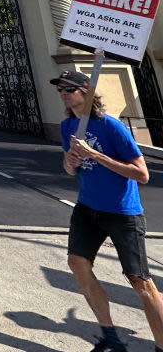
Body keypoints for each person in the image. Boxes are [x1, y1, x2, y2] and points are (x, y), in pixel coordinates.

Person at [52, 69, 163, 352]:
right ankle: (110, 335)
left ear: (85, 92)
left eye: (69, 89)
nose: (64, 93)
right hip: (87, 208)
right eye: (60, 89)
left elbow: (142, 174)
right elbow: (67, 168)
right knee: (77, 264)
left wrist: (95, 155)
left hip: (122, 212)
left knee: (140, 282)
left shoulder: (112, 127)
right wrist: (72, 161)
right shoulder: (68, 127)